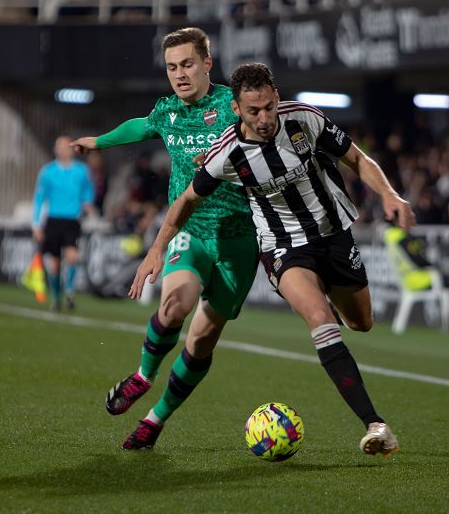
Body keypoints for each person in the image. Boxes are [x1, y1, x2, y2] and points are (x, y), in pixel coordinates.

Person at [129, 61, 415, 456]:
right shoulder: (226, 152)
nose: (263, 118)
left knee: (360, 323)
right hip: (283, 248)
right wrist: (157, 249)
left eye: (267, 107)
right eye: (253, 111)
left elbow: (358, 159)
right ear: (236, 109)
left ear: (276, 97)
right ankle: (376, 424)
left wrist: (389, 195)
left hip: (334, 237)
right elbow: (186, 201)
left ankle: (327, 297)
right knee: (320, 320)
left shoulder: (306, 120)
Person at [72, 28, 257, 451]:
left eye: (188, 64)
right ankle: (142, 376)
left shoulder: (233, 106)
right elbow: (141, 125)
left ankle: (156, 419)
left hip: (238, 241)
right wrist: (99, 141)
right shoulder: (168, 111)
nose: (180, 74)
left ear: (207, 63)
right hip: (188, 229)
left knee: (200, 342)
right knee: (175, 305)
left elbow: (266, 139)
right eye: (172, 67)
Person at [32, 135, 95, 312]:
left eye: (65, 146)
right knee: (55, 264)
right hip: (53, 220)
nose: (62, 150)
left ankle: (68, 290)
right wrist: (36, 224)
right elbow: (39, 198)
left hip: (72, 220)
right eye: (58, 146)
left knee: (72, 257)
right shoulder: (47, 172)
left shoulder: (81, 171)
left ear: (72, 149)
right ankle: (55, 297)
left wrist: (87, 202)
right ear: (55, 150)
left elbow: (88, 191)